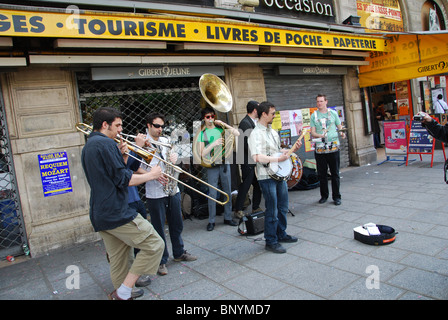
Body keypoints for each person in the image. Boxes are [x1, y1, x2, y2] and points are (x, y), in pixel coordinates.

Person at [81, 107, 164, 300]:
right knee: (155, 244)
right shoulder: (106, 144)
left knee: (119, 258)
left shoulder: (89, 145)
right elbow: (123, 180)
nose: (120, 130)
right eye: (117, 125)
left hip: (100, 213)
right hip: (116, 211)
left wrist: (123, 156)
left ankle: (123, 292)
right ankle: (124, 291)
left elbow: (111, 175)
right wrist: (151, 175)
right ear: (105, 125)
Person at [139, 113, 197, 276]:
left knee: (177, 223)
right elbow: (136, 167)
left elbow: (175, 158)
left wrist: (175, 157)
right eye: (157, 126)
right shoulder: (142, 142)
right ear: (149, 125)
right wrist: (152, 175)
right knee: (158, 228)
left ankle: (179, 253)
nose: (160, 129)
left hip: (172, 188)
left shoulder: (165, 141)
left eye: (162, 126)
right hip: (155, 191)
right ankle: (161, 260)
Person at [248, 101, 302, 254]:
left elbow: (277, 151)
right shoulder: (255, 134)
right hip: (266, 176)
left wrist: (289, 151)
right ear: (264, 114)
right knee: (272, 210)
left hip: (278, 174)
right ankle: (270, 240)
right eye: (272, 113)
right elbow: (257, 157)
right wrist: (278, 159)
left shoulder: (272, 131)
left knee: (283, 207)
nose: (274, 115)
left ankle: (281, 234)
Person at [197, 106, 240, 231]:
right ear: (203, 119)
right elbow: (201, 153)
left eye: (212, 116)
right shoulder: (202, 133)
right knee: (213, 193)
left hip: (224, 162)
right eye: (207, 117)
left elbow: (237, 133)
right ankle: (211, 221)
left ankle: (228, 217)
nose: (210, 119)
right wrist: (213, 144)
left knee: (227, 191)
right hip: (212, 165)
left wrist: (224, 124)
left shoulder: (220, 128)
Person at [310, 94, 346, 206]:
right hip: (320, 148)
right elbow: (313, 132)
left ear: (326, 101)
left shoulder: (333, 113)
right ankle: (324, 195)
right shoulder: (314, 115)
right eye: (317, 101)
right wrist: (320, 136)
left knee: (335, 173)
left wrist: (342, 133)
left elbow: (340, 127)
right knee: (322, 174)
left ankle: (337, 197)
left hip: (333, 147)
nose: (319, 103)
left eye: (321, 101)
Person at [234, 100, 262, 218]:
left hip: (252, 160)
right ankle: (238, 209)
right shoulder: (245, 123)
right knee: (246, 186)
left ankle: (256, 207)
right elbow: (247, 143)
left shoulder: (251, 122)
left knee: (257, 184)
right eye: (259, 109)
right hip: (247, 161)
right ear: (255, 110)